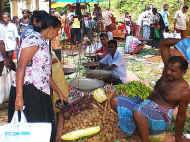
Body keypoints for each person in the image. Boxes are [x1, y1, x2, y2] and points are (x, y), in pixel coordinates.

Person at [8, 11, 67, 142]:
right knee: (32, 132)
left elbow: (44, 73)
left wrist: (59, 92)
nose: (57, 34)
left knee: (43, 131)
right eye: (57, 30)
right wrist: (19, 96)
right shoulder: (33, 39)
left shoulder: (43, 42)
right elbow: (21, 68)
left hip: (39, 92)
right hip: (28, 93)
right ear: (50, 28)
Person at [111, 56, 190, 142]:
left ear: (183, 72)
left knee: (138, 113)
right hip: (145, 104)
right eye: (167, 69)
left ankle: (145, 139)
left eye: (173, 71)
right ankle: (139, 130)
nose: (168, 72)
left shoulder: (184, 91)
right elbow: (163, 45)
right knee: (115, 101)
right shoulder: (166, 76)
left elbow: (181, 117)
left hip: (162, 116)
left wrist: (178, 138)